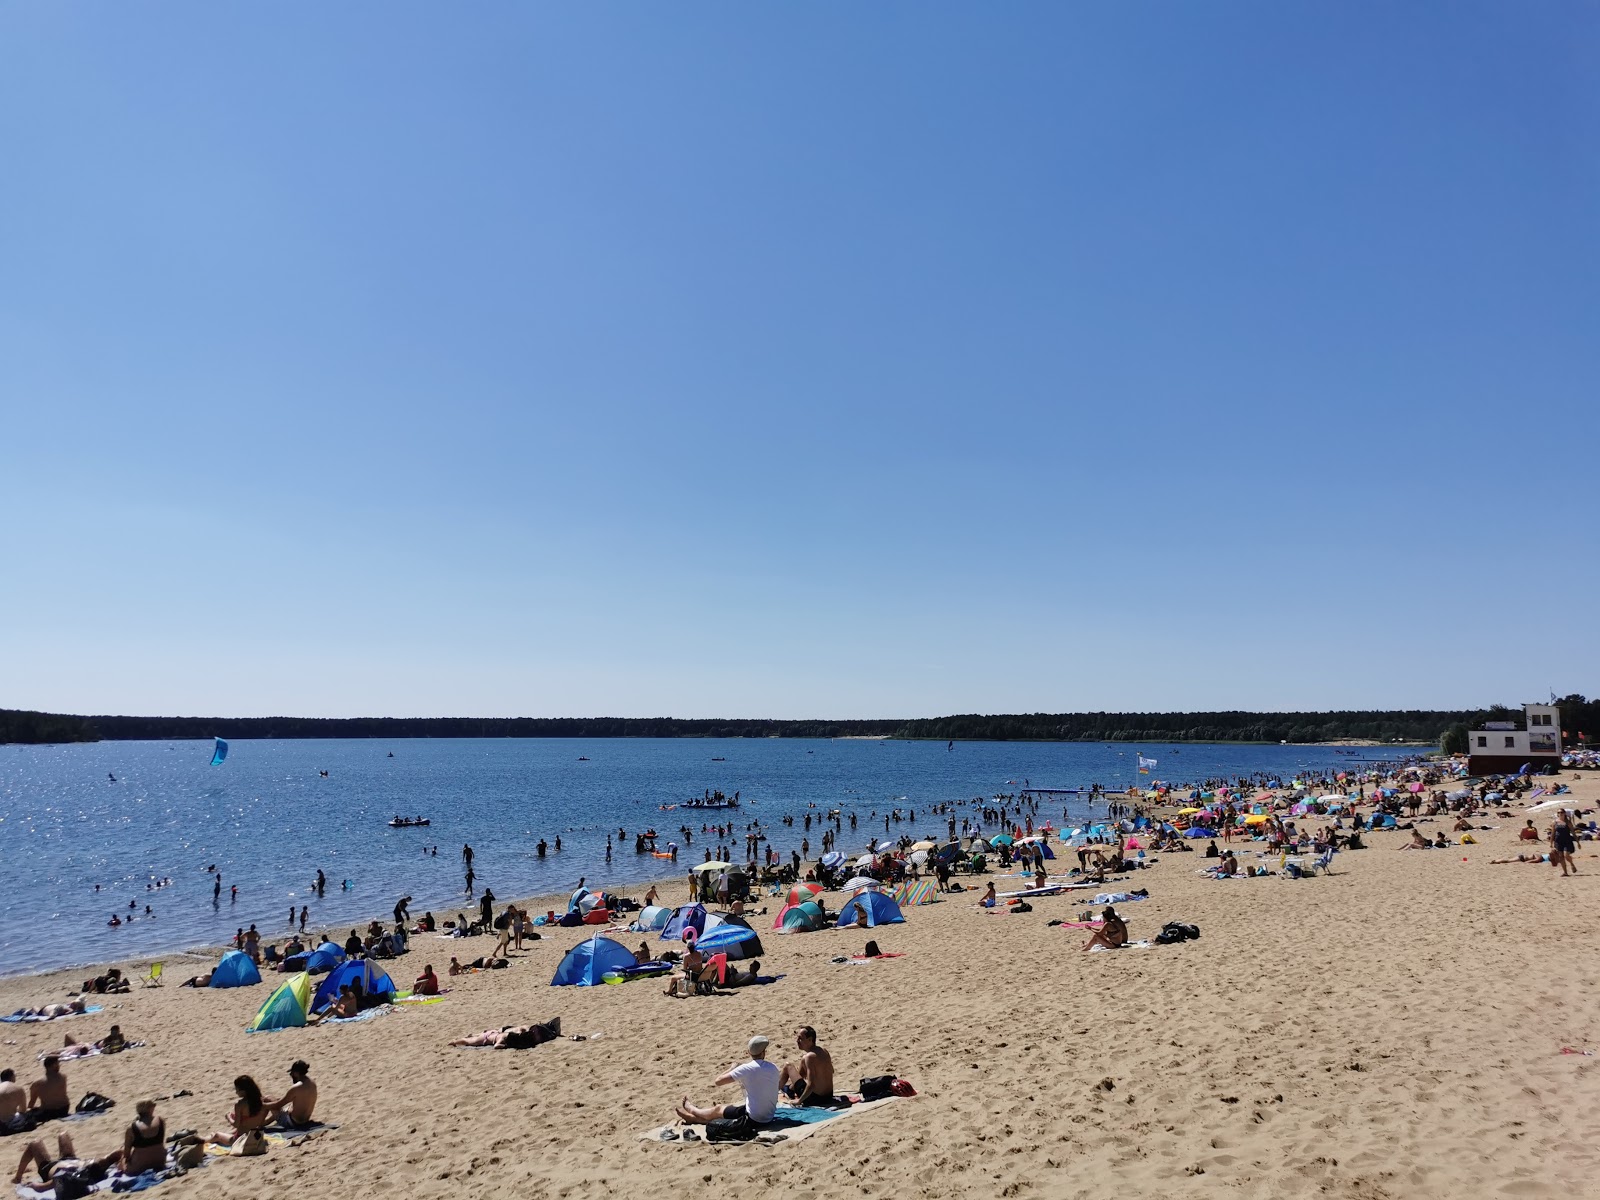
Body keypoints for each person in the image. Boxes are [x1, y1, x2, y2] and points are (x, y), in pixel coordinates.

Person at [674, 1035, 780, 1130]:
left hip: (754, 1118)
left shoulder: (746, 1068)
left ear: (749, 1052)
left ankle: (693, 1110)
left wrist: (732, 1068)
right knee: (728, 1112)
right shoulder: (773, 1067)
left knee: (718, 1109)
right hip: (768, 1116)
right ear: (763, 1052)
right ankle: (694, 1119)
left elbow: (718, 1082)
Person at [10, 1132, 119, 1190]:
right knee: (63, 1134)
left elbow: (45, 1186)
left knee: (35, 1143)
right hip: (72, 1160)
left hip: (49, 1168)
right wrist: (122, 1163)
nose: (93, 1160)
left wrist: (33, 1185)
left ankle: (18, 1177)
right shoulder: (91, 1166)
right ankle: (18, 1176)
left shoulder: (66, 1176)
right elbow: (119, 1153)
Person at [778, 1026, 836, 1107]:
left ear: (810, 1040)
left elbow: (811, 1085)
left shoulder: (810, 1057)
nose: (797, 1041)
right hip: (828, 1096)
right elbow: (831, 1071)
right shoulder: (824, 1051)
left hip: (814, 1099)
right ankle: (791, 1088)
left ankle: (773, 1093)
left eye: (800, 1038)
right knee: (803, 1060)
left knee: (788, 1066)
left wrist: (799, 1101)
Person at [208, 1076, 267, 1145]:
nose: (236, 1092)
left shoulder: (239, 1105)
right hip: (257, 1138)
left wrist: (229, 1117)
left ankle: (201, 1141)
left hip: (241, 1140)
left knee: (217, 1135)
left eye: (237, 1090)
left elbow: (236, 1124)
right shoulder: (261, 1102)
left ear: (243, 1091)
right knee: (231, 1131)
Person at [264, 1061, 318, 1129]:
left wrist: (263, 1105)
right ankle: (264, 1123)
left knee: (267, 1098)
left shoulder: (296, 1087)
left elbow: (277, 1105)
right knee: (285, 1108)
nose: (291, 1075)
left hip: (291, 1123)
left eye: (292, 1073)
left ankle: (258, 1125)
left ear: (296, 1073)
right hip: (304, 1121)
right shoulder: (312, 1083)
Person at [122, 1099, 166, 1174]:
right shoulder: (161, 1121)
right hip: (160, 1161)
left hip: (139, 1166)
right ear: (150, 1109)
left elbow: (127, 1154)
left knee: (121, 1160)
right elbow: (160, 1142)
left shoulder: (131, 1128)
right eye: (153, 1106)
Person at [28, 1057, 69, 1122]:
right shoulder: (63, 1077)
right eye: (58, 1063)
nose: (59, 1065)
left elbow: (31, 1104)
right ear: (54, 1065)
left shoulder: (37, 1083)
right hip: (64, 1109)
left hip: (49, 1112)